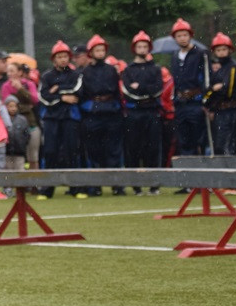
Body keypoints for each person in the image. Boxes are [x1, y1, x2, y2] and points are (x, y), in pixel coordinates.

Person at [37, 41, 85, 200]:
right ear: (54, 59)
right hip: (51, 119)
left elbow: (77, 92)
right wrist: (63, 97)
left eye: (65, 56)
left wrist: (56, 91)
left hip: (70, 117)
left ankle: (75, 188)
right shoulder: (46, 76)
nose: (63, 59)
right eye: (59, 57)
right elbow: (43, 97)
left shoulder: (76, 75)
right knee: (50, 152)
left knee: (72, 151)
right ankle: (47, 190)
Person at [78, 35, 125, 196]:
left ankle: (116, 185)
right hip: (93, 114)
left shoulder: (112, 70)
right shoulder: (85, 72)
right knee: (94, 150)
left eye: (102, 50)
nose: (100, 52)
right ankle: (95, 186)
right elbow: (82, 94)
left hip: (111, 112)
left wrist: (119, 111)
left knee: (114, 150)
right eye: (97, 50)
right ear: (91, 52)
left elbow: (118, 93)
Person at [121, 31, 163, 195]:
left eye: (145, 46)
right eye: (139, 46)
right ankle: (136, 185)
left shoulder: (155, 69)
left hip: (152, 112)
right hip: (134, 113)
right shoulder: (128, 70)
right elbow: (127, 91)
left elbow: (158, 89)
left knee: (153, 148)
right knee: (133, 148)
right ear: (134, 48)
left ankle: (154, 185)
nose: (142, 49)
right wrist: (147, 91)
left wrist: (141, 87)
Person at [169, 18, 208, 159]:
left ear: (190, 35)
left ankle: (200, 168)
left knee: (198, 138)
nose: (182, 38)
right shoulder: (175, 56)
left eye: (185, 35)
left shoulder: (200, 53)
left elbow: (206, 78)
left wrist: (206, 101)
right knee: (183, 139)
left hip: (195, 102)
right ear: (175, 38)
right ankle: (187, 167)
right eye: (179, 36)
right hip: (180, 103)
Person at [204, 32, 236, 155]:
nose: (221, 52)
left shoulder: (234, 67)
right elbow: (208, 92)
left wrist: (216, 90)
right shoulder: (218, 70)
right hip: (219, 111)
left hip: (230, 111)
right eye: (218, 50)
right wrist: (212, 92)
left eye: (224, 49)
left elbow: (228, 90)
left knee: (227, 144)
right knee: (218, 144)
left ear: (229, 50)